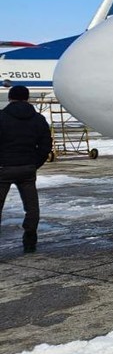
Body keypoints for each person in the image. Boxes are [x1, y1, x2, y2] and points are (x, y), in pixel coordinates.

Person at [0, 85, 52, 253]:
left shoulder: (1, 117)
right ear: (28, 98)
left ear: (10, 98)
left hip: (4, 168)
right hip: (27, 168)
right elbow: (45, 145)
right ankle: (30, 239)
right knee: (32, 207)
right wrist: (35, 163)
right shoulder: (38, 119)